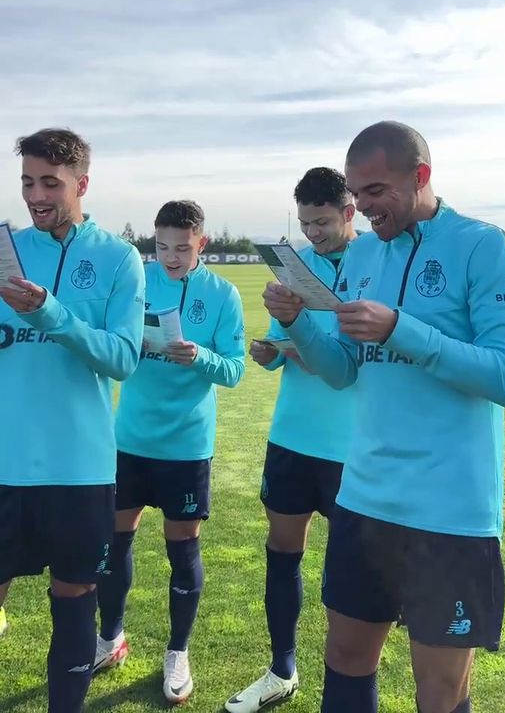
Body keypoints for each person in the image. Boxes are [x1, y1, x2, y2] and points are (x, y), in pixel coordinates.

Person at [262, 121, 505, 713]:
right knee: (346, 659)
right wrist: (296, 323)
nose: (364, 206)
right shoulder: (361, 253)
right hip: (365, 498)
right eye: (357, 193)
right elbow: (343, 370)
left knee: (438, 691)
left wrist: (404, 331)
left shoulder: (483, 245)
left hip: (449, 510)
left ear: (422, 177)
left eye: (377, 191)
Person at [0, 128, 145, 713]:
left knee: (74, 600)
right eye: (28, 182)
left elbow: (123, 358)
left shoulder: (118, 258)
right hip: (6, 460)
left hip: (78, 469)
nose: (36, 195)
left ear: (81, 184)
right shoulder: (8, 249)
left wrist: (51, 313)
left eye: (50, 183)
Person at [95, 200, 245, 704]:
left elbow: (235, 369)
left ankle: (177, 651)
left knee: (182, 549)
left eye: (182, 248)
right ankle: (110, 636)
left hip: (186, 445)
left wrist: (199, 356)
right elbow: (111, 342)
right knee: (115, 542)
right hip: (129, 438)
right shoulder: (138, 282)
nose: (171, 257)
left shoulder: (221, 294)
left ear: (201, 243)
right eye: (162, 247)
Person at [225, 167, 358, 713]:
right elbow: (282, 344)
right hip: (292, 438)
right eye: (306, 223)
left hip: (352, 447)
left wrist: (304, 350)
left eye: (323, 221)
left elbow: (360, 363)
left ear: (350, 213)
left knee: (348, 575)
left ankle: (345, 684)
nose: (314, 232)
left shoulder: (376, 265)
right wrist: (269, 351)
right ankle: (282, 669)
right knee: (283, 552)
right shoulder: (297, 267)